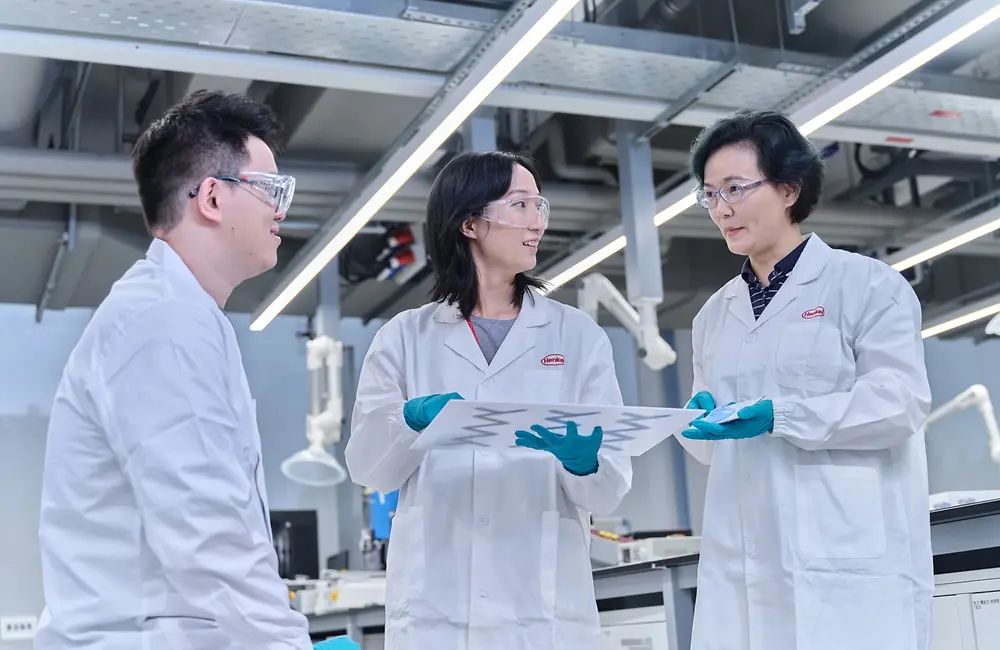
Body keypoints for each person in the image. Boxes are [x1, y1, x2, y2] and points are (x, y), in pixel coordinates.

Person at [35, 90, 317, 650]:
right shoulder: (161, 320)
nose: (281, 210)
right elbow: (205, 528)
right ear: (212, 197)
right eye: (272, 190)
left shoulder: (184, 315)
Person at [345, 151, 633, 650]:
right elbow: (369, 469)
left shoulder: (578, 336)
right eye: (521, 205)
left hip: (540, 610)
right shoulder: (404, 338)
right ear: (471, 222)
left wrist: (585, 465)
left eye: (539, 206)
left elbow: (609, 490)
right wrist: (410, 421)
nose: (537, 222)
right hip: (438, 609)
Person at [677, 110, 933, 650]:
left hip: (843, 566)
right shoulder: (713, 316)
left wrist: (783, 414)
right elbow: (713, 453)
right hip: (742, 564)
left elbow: (899, 403)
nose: (721, 208)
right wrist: (693, 424)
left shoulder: (866, 286)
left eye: (736, 188)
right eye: (710, 195)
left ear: (789, 188)